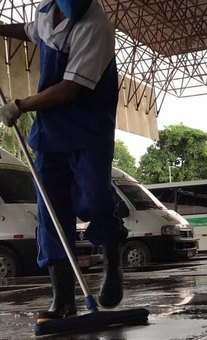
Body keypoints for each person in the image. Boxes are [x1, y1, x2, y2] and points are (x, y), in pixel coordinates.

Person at [0, 0, 128, 321]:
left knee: (93, 201)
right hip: (50, 132)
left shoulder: (95, 26)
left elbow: (69, 89)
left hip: (89, 131)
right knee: (51, 212)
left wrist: (21, 105)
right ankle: (63, 298)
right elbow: (30, 31)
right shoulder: (45, 11)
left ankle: (111, 259)